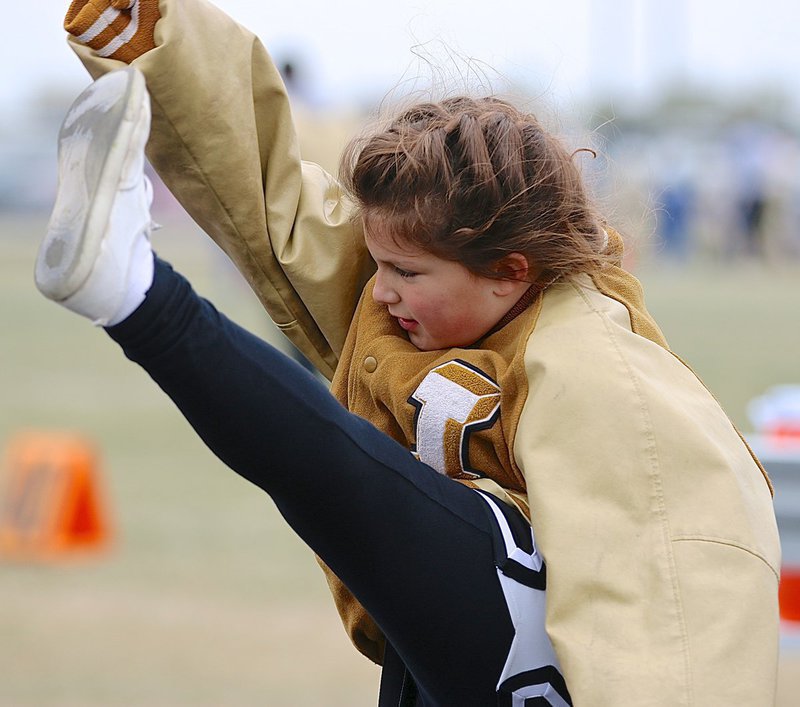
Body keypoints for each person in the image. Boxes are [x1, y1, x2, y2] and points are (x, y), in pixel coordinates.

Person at [41, 1, 781, 705]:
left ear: (511, 269)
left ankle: (138, 295)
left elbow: (681, 602)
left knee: (333, 467)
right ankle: (133, 294)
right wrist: (153, 35)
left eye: (406, 273)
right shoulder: (434, 306)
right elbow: (284, 212)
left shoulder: (609, 382)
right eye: (380, 263)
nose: (381, 291)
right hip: (427, 670)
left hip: (542, 678)